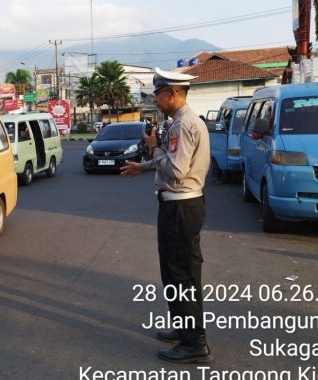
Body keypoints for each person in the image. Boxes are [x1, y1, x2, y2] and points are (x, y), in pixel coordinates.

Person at [120, 67, 212, 364]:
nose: (155, 100)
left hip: (180, 207)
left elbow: (175, 171)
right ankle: (183, 330)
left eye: (158, 94)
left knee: (181, 275)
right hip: (180, 206)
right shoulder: (182, 122)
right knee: (176, 273)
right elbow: (171, 163)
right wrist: (144, 165)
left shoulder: (183, 125)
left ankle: (194, 343)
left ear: (173, 92)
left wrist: (154, 148)